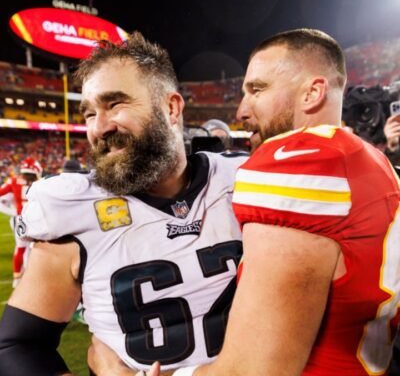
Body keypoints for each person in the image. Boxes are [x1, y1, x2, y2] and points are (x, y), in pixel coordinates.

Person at [91, 28, 400, 376]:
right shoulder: (375, 161)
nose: (242, 110)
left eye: (257, 90)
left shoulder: (296, 165)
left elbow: (252, 371)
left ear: (312, 92)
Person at [0, 32, 245, 375]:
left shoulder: (242, 178)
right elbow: (19, 346)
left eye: (115, 104)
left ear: (171, 107)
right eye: (89, 114)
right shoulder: (74, 209)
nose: (99, 128)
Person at [0, 157, 42, 287]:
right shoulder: (41, 183)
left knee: (21, 248)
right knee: (35, 248)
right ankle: (32, 276)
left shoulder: (14, 181)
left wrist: (12, 211)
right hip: (36, 219)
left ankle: (17, 278)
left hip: (21, 219)